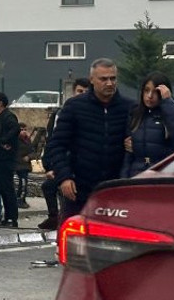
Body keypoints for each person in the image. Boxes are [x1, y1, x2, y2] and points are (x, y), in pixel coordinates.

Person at [44, 58, 136, 221]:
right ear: (92, 80)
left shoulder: (129, 108)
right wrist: (64, 177)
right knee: (74, 239)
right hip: (79, 189)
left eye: (113, 78)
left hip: (115, 189)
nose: (109, 83)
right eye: (103, 79)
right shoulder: (74, 107)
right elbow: (57, 145)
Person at [37, 78, 89, 230]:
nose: (82, 95)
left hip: (80, 168)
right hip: (61, 165)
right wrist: (50, 166)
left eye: (86, 92)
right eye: (80, 91)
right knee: (50, 187)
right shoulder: (61, 114)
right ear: (73, 92)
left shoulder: (93, 115)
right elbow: (53, 141)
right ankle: (54, 217)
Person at [121, 71, 174, 177]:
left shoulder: (170, 112)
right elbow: (129, 152)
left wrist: (168, 102)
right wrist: (124, 178)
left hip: (163, 176)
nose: (149, 96)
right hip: (137, 175)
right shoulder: (135, 114)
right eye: (146, 90)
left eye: (155, 92)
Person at [0, 92, 20, 228]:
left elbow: (15, 129)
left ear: (1, 103)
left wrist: (4, 141)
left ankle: (12, 218)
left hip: (5, 159)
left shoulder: (8, 116)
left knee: (7, 188)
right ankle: (7, 218)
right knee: (2, 188)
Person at [16, 123, 33, 208]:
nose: (23, 132)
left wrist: (29, 157)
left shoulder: (28, 140)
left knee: (24, 183)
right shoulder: (15, 140)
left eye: (25, 130)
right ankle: (19, 200)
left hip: (26, 165)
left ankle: (22, 199)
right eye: (21, 130)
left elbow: (33, 151)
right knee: (22, 183)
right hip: (19, 165)